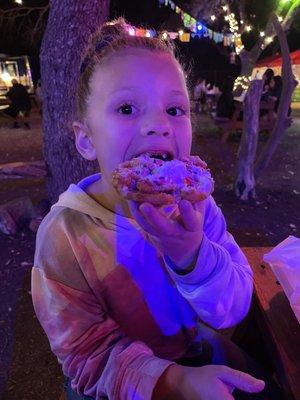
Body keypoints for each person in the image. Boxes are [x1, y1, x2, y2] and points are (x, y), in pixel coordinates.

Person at [31, 19, 283, 400]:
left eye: (176, 109)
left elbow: (231, 309)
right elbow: (86, 354)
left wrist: (192, 256)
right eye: (128, 107)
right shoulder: (65, 236)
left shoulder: (197, 208)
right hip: (116, 378)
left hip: (193, 349)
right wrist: (173, 381)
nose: (159, 124)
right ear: (86, 140)